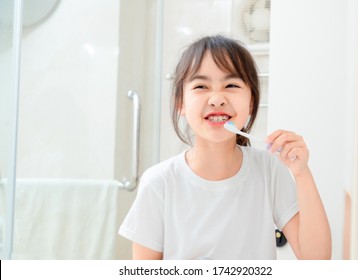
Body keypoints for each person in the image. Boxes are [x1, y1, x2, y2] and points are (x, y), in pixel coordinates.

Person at [118, 35, 331, 260]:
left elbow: (316, 261)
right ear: (180, 102)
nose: (217, 99)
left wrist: (302, 173)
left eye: (231, 85)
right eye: (201, 86)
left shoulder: (269, 170)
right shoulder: (159, 183)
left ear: (251, 102)